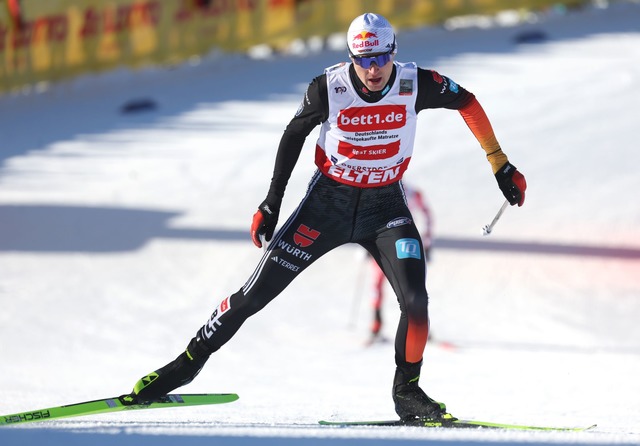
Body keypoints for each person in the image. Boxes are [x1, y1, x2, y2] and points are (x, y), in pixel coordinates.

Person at [128, 13, 527, 422]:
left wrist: (500, 164)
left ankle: (407, 392)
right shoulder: (328, 88)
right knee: (254, 296)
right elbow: (293, 134)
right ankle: (183, 366)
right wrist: (271, 202)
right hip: (326, 206)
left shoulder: (416, 83)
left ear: (393, 52)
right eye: (363, 59)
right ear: (351, 56)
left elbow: (468, 102)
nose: (372, 69)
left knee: (417, 302)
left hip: (384, 207)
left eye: (380, 58)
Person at [368, 183, 433, 343]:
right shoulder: (378, 191)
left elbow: (427, 215)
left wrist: (427, 242)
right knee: (377, 284)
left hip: (405, 243)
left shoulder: (412, 192)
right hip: (383, 244)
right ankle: (376, 326)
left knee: (411, 286)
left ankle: (419, 325)